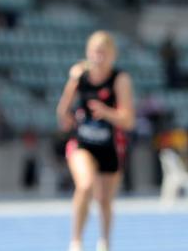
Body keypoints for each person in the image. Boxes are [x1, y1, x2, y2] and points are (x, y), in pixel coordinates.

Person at [56, 31, 135, 251]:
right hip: (83, 143)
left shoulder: (120, 79)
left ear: (112, 55)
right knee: (85, 185)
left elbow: (128, 120)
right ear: (88, 53)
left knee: (104, 200)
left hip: (111, 146)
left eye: (104, 53)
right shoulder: (80, 77)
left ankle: (105, 243)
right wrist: (67, 115)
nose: (99, 57)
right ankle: (76, 242)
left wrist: (106, 112)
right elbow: (62, 111)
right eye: (95, 52)